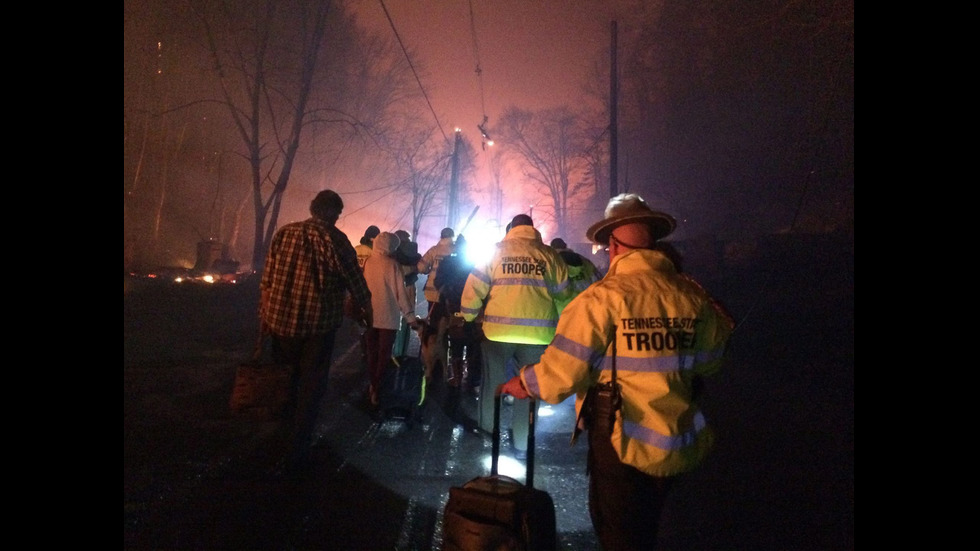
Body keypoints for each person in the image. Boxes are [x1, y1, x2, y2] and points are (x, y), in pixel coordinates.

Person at [499, 193, 735, 550]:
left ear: (613, 244)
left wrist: (525, 383)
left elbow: (563, 371)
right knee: (657, 531)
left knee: (620, 535)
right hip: (678, 437)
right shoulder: (692, 296)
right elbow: (712, 360)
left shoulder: (602, 298)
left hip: (620, 438)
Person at [259, 189, 372, 474]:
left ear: (312, 208)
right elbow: (356, 282)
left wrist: (264, 316)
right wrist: (367, 311)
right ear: (335, 214)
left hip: (281, 322)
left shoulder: (285, 233)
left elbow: (267, 279)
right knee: (310, 386)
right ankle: (297, 448)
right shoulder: (336, 240)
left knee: (286, 380)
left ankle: (277, 439)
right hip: (317, 327)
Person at [460, 214, 572, 458]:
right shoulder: (549, 255)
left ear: (511, 229)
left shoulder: (496, 252)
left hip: (497, 333)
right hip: (538, 335)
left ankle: (488, 432)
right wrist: (565, 325)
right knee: (529, 386)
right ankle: (521, 441)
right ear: (532, 229)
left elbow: (474, 286)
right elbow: (564, 296)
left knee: (493, 383)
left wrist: (468, 317)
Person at [362, 232, 422, 407]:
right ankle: (379, 389)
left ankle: (372, 385)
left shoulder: (368, 262)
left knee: (372, 354)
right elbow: (400, 293)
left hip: (370, 315)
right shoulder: (392, 265)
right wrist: (410, 317)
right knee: (384, 355)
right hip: (388, 317)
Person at [433, 234, 481, 390]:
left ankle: (458, 377)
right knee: (471, 342)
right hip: (470, 308)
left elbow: (438, 282)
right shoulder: (473, 264)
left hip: (452, 308)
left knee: (456, 342)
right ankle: (470, 378)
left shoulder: (448, 262)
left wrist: (446, 293)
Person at [550, 237, 601, 311]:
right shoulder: (585, 261)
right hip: (586, 307)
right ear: (565, 246)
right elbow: (598, 282)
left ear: (552, 249)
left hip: (564, 310)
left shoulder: (552, 263)